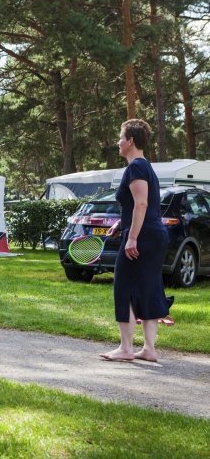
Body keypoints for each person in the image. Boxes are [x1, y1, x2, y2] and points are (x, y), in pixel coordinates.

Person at [101, 119, 171, 363]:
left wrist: (132, 238)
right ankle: (149, 349)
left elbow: (141, 204)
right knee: (149, 287)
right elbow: (143, 205)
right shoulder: (146, 167)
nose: (118, 143)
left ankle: (126, 348)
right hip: (153, 234)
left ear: (130, 141)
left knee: (125, 287)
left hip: (143, 237)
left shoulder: (135, 168)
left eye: (120, 138)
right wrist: (121, 225)